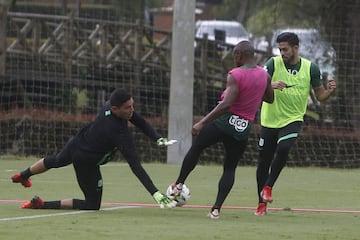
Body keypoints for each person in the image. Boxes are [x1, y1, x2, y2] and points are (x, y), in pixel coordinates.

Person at [12, 88, 177, 210]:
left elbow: (139, 120)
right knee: (92, 205)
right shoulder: (118, 132)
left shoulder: (110, 106)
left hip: (77, 142)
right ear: (115, 109)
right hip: (86, 161)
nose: (132, 110)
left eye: (132, 105)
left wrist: (157, 138)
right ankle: (40, 204)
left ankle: (23, 175)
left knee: (56, 160)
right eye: (128, 108)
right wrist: (155, 193)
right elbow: (135, 166)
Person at [167, 40, 274, 219]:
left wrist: (202, 123)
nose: (234, 59)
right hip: (243, 128)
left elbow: (226, 104)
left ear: (239, 55)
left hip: (224, 122)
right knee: (230, 168)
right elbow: (270, 99)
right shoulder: (265, 76)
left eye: (235, 56)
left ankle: (179, 184)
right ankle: (216, 209)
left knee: (197, 147)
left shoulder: (235, 74)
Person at [255, 32, 337, 216]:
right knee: (263, 163)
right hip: (269, 120)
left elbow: (321, 96)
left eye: (285, 49)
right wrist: (271, 85)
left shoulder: (311, 68)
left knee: (284, 147)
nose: (282, 52)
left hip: (293, 119)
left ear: (296, 48)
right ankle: (261, 203)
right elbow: (258, 84)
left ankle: (268, 187)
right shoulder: (273, 63)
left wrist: (330, 91)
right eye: (280, 49)